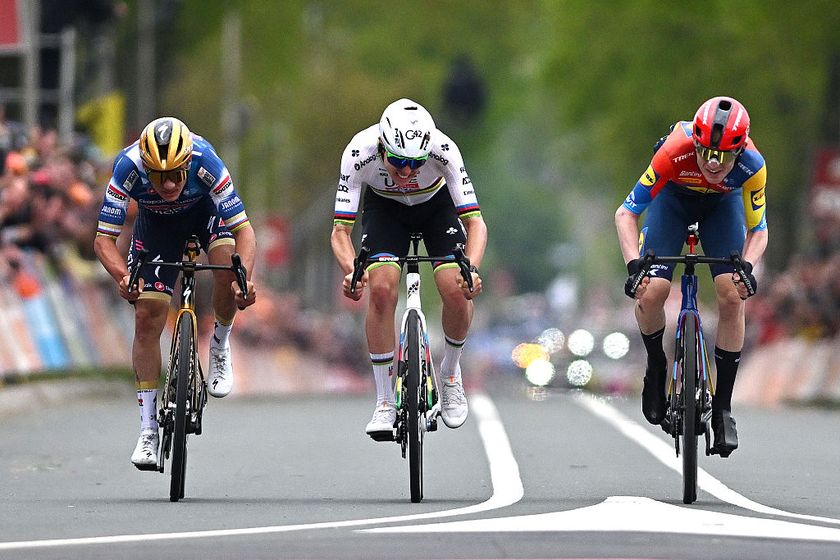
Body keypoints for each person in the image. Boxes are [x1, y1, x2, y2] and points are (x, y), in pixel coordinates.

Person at [93, 116, 256, 470]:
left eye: (175, 175)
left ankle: (219, 344)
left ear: (187, 164)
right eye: (158, 176)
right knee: (147, 316)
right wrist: (124, 277)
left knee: (228, 265)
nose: (167, 184)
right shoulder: (127, 167)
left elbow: (245, 231)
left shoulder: (206, 160)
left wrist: (244, 280)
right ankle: (148, 430)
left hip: (205, 216)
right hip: (156, 227)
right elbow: (104, 239)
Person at [615, 96, 767, 457]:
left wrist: (747, 266)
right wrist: (634, 264)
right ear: (695, 143)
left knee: (732, 294)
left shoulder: (753, 165)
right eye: (706, 154)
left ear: (740, 150)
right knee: (651, 292)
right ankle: (656, 364)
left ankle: (724, 408)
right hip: (672, 202)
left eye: (725, 157)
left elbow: (758, 229)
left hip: (722, 207)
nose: (714, 165)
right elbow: (626, 213)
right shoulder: (672, 152)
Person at [331, 98, 487, 438]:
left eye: (415, 163)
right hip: (385, 211)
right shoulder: (360, 152)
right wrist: (350, 270)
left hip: (436, 207)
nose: (405, 172)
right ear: (382, 147)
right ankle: (385, 400)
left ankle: (449, 374)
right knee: (382, 288)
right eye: (398, 161)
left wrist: (471, 269)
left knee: (455, 289)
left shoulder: (445, 150)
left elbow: (476, 224)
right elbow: (341, 231)